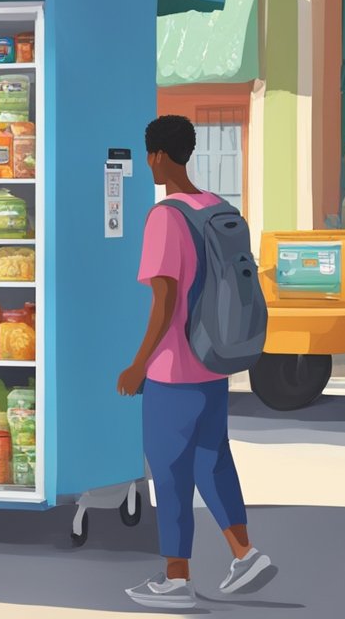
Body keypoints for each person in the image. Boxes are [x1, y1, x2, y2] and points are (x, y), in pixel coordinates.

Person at [119, 115, 276, 609]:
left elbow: (164, 303)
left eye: (150, 155)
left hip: (172, 370)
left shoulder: (166, 217)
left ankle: (176, 580)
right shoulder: (219, 208)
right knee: (213, 460)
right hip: (213, 361)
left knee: (169, 473)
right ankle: (245, 553)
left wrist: (138, 364)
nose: (148, 163)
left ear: (160, 157)